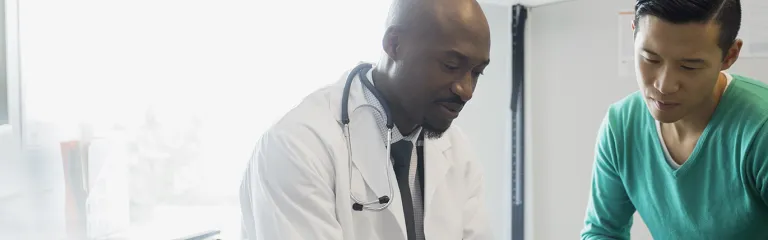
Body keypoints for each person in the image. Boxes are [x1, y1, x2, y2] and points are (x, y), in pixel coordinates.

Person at [239, 0, 492, 239]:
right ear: (394, 44)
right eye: (450, 65)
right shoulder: (298, 145)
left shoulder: (459, 151)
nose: (467, 91)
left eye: (477, 73)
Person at [581, 0, 768, 239]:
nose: (664, 86)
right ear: (633, 33)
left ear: (729, 55)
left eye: (689, 66)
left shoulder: (760, 131)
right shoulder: (622, 125)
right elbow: (602, 232)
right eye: (651, 59)